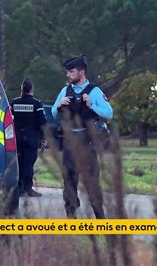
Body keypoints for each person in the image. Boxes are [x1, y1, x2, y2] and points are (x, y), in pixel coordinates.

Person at [51, 55, 113, 219]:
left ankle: (100, 219)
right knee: (69, 183)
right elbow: (53, 112)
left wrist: (91, 105)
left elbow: (109, 113)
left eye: (71, 72)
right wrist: (59, 105)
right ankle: (71, 219)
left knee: (92, 182)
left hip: (88, 143)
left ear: (81, 72)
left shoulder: (94, 91)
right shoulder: (65, 91)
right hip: (69, 142)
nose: (68, 75)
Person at [10, 79, 47, 197]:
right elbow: (42, 122)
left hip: (17, 137)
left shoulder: (14, 103)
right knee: (29, 163)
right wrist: (44, 137)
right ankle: (28, 188)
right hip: (31, 137)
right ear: (32, 90)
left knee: (19, 163)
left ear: (21, 90)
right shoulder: (36, 104)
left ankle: (19, 187)